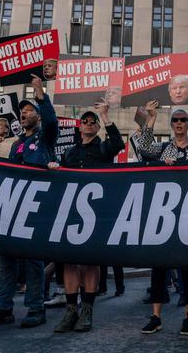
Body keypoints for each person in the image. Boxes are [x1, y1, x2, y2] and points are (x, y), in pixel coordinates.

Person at [0, 74, 58, 329]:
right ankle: (3, 308)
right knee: (7, 259)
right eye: (21, 112)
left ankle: (36, 308)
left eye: (28, 110)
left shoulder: (44, 139)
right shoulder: (16, 145)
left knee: (33, 261)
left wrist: (39, 92)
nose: (23, 114)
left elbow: (53, 121)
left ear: (38, 115)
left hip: (34, 209)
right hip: (12, 209)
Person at [48, 99, 125, 333]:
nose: (89, 124)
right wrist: (54, 168)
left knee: (90, 262)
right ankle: (71, 310)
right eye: (85, 121)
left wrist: (105, 115)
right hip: (71, 213)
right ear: (80, 126)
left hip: (97, 213)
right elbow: (60, 177)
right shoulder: (70, 151)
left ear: (97, 127)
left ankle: (87, 311)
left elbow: (119, 143)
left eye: (93, 122)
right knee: (70, 262)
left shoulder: (103, 148)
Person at [138, 101, 188, 336]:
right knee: (159, 267)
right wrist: (151, 117)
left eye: (182, 120)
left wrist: (181, 166)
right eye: (175, 120)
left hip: (187, 214)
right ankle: (156, 316)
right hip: (163, 213)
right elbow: (144, 147)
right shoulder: (164, 148)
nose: (178, 123)